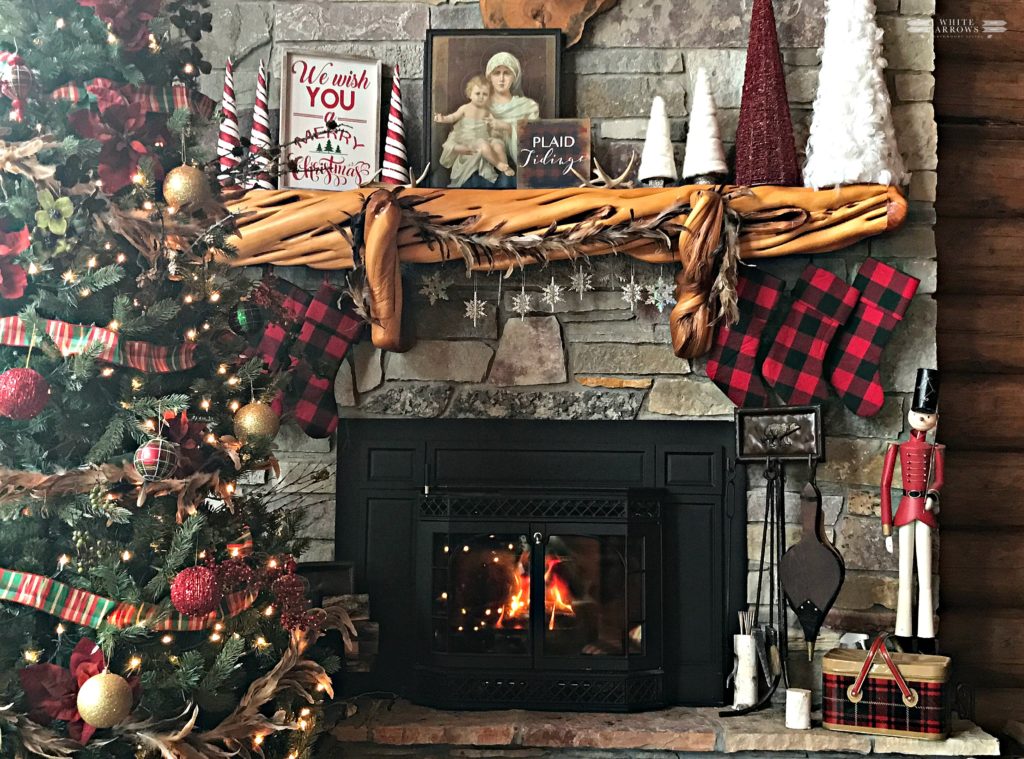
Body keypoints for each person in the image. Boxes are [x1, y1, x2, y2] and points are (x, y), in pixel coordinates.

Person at [463, 52, 541, 188]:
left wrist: (508, 127)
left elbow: (537, 143)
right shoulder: (480, 104)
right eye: (496, 73)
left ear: (514, 77)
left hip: (518, 171)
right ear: (489, 77)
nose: (501, 79)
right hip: (485, 168)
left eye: (507, 73)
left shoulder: (528, 106)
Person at [434, 75, 515, 188]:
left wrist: (495, 124)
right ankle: (498, 164)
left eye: (485, 94)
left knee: (498, 145)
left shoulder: (487, 111)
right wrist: (443, 119)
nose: (481, 97)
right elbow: (453, 117)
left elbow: (494, 123)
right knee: (483, 144)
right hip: (469, 139)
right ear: (470, 93)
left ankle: (505, 167)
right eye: (478, 93)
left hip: (484, 137)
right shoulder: (465, 108)